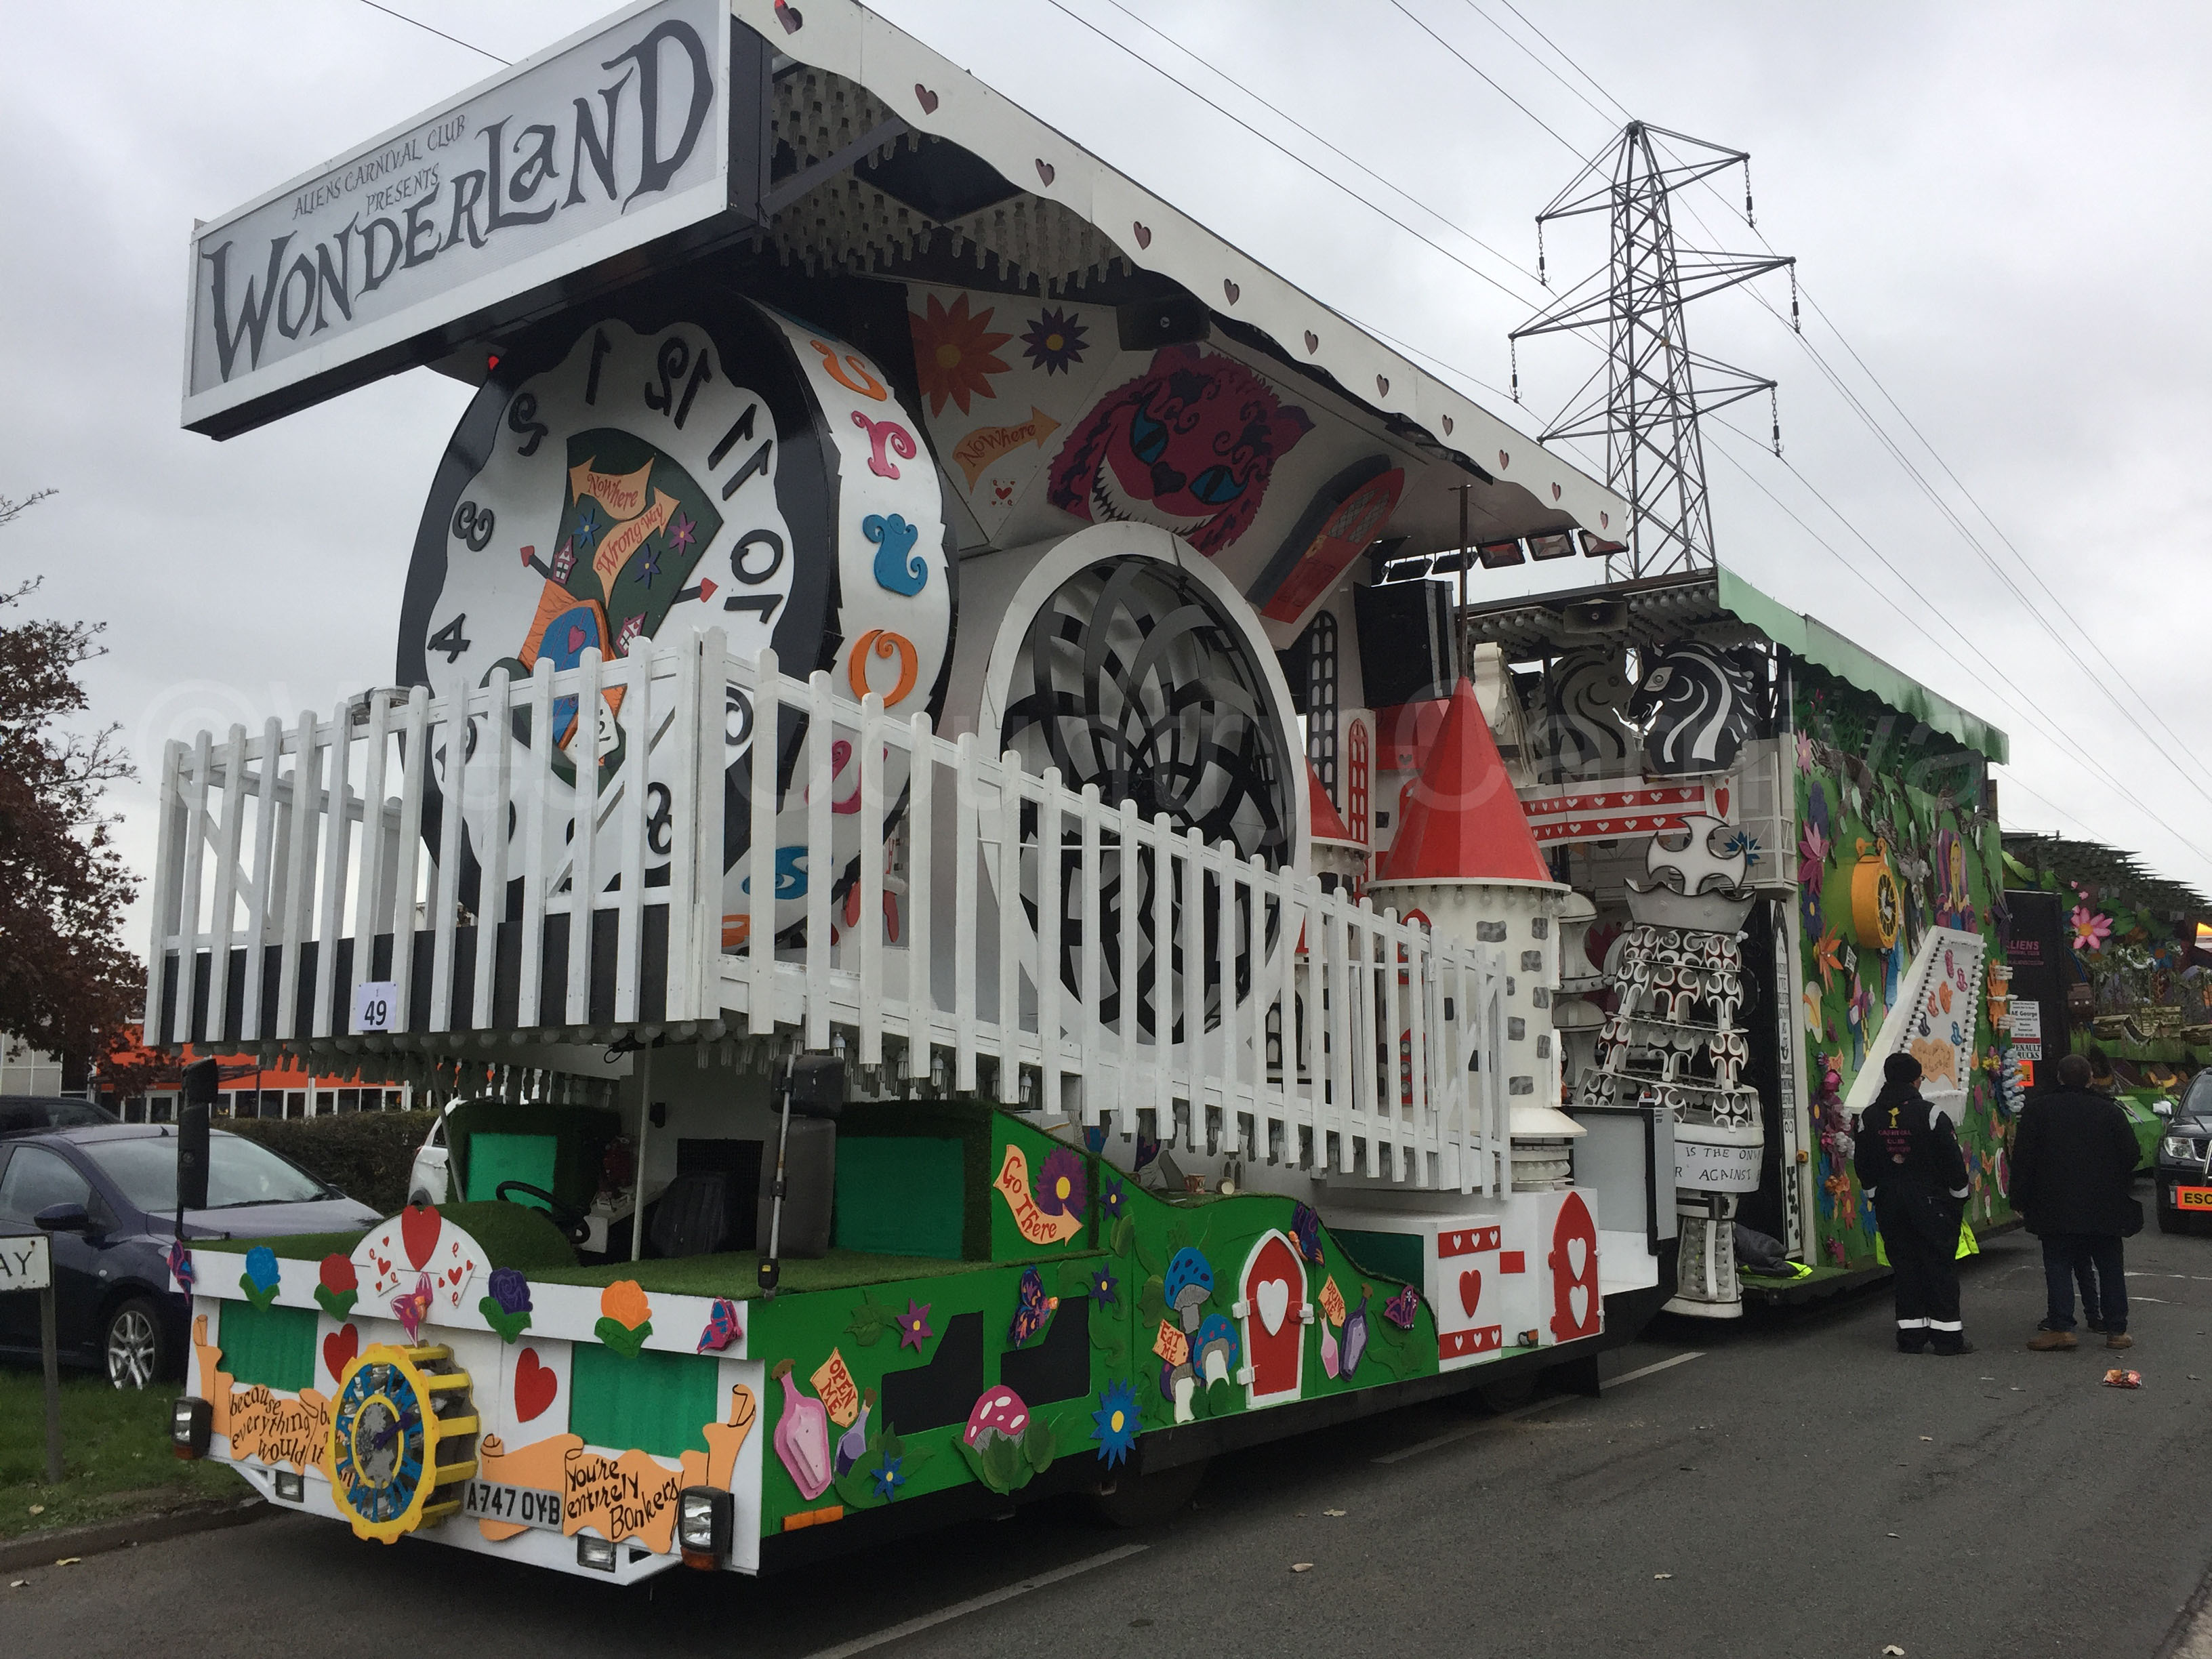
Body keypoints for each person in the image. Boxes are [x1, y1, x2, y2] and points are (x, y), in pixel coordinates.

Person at [2009, 1051, 2139, 1351]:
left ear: (2059, 1078)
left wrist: (2019, 1198)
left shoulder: (2038, 1110)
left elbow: (2023, 1159)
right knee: (2110, 1267)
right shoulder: (2109, 1111)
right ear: (2091, 1079)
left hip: (2054, 1204)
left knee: (2058, 1264)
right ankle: (2116, 1331)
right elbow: (2132, 1155)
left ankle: (2062, 1328)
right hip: (2105, 1206)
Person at [1854, 1052, 1973, 1355]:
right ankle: (1947, 1339)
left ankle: (1911, 1337)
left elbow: (1863, 1163)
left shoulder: (1869, 1117)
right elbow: (1951, 1160)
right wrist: (1960, 1196)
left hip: (1890, 1203)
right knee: (1939, 1267)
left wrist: (1874, 1193)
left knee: (1905, 1268)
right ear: (1915, 1080)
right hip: (1932, 1203)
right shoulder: (1931, 1115)